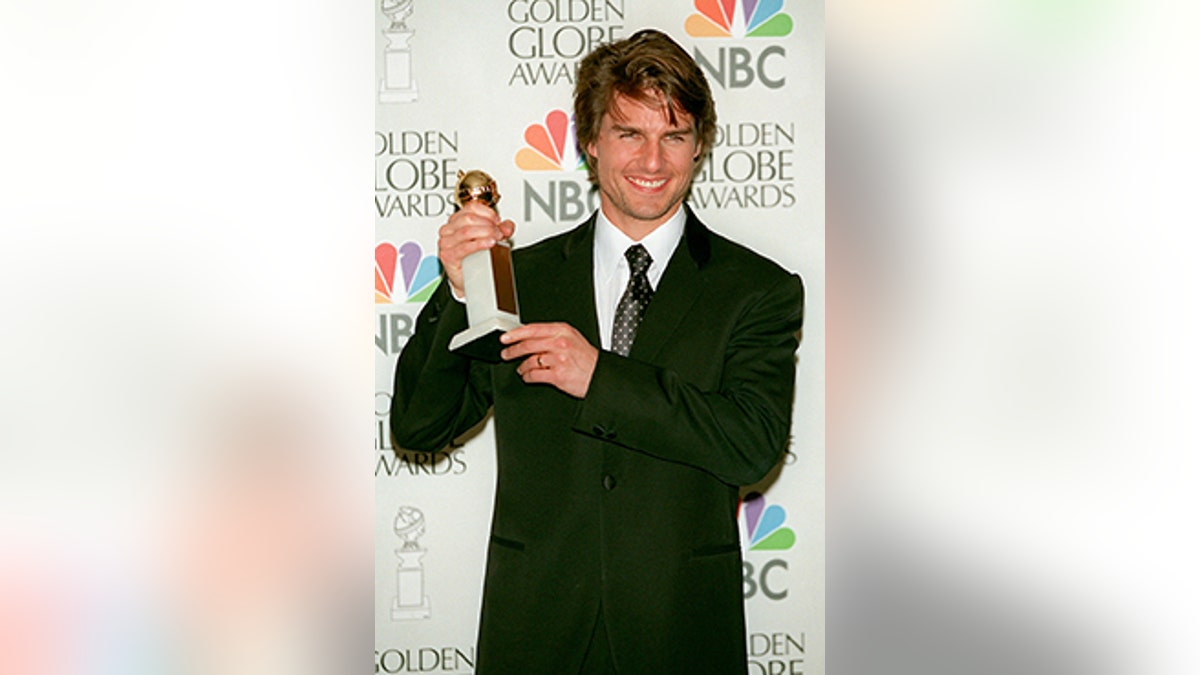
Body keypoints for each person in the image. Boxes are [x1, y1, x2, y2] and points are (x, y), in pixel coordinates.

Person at [391, 28, 805, 674]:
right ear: (589, 143)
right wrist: (456, 288)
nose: (653, 159)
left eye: (674, 135)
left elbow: (752, 443)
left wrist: (600, 376)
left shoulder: (756, 291)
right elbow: (419, 422)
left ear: (698, 149)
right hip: (534, 634)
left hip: (681, 636)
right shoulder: (516, 282)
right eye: (628, 133)